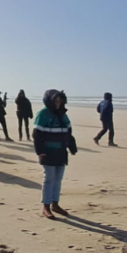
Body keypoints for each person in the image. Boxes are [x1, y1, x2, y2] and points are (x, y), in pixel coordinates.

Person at [33, 89, 78, 219]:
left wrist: (71, 146)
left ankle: (55, 204)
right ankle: (46, 206)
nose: (58, 104)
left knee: (58, 179)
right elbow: (37, 135)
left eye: (60, 101)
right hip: (47, 152)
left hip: (61, 152)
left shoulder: (63, 115)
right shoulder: (43, 114)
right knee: (49, 179)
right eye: (56, 101)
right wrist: (40, 151)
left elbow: (68, 133)